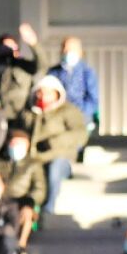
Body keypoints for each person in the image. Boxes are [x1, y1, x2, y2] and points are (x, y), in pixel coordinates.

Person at [20, 75, 89, 216]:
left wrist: (54, 142)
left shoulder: (68, 111)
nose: (43, 96)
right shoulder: (29, 113)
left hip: (59, 157)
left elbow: (80, 134)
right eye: (40, 92)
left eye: (48, 92)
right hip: (35, 158)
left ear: (57, 93)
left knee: (54, 169)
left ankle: (49, 208)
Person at [0, 130, 47, 251]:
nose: (15, 147)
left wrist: (29, 202)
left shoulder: (33, 164)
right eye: (13, 143)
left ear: (27, 145)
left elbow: (39, 189)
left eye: (19, 144)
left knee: (26, 213)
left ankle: (21, 245)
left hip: (21, 201)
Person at [0, 24, 41, 117]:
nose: (8, 51)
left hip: (21, 114)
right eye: (4, 48)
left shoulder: (23, 66)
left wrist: (34, 44)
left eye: (11, 48)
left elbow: (41, 66)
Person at [46, 36, 100, 131]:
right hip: (58, 118)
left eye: (71, 49)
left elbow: (92, 100)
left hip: (80, 118)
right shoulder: (53, 72)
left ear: (80, 52)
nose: (67, 52)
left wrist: (78, 113)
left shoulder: (87, 72)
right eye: (65, 49)